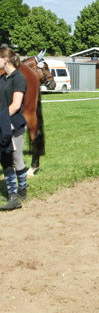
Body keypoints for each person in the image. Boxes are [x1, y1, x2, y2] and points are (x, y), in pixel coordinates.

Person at [0, 45, 28, 211]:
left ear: (5, 59)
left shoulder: (19, 78)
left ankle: (22, 189)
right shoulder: (2, 79)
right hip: (1, 123)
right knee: (5, 158)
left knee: (16, 158)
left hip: (13, 124)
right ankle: (13, 196)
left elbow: (16, 105)